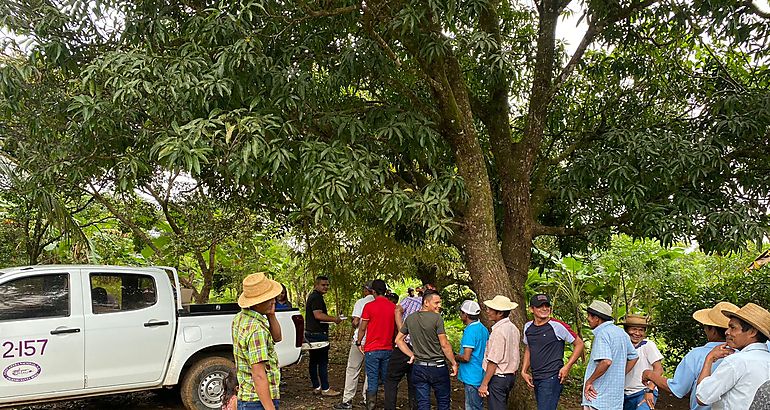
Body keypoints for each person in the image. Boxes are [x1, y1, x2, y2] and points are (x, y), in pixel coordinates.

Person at [642, 301, 739, 410]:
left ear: (713, 331)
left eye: (706, 327)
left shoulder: (697, 355)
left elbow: (678, 388)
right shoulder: (742, 355)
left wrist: (650, 375)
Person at [696, 303, 770, 410]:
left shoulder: (737, 361)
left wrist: (709, 358)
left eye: (733, 328)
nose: (727, 332)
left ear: (752, 332)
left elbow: (702, 398)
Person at [395, 290, 458, 410]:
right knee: (443, 402)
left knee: (423, 404)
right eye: (436, 303)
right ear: (426, 302)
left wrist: (411, 354)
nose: (439, 305)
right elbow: (444, 344)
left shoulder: (410, 318)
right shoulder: (437, 318)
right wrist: (453, 363)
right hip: (438, 367)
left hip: (419, 367)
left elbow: (398, 340)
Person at [521, 294, 584, 410]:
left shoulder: (557, 326)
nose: (545, 309)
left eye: (547, 306)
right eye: (540, 306)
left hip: (552, 376)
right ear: (531, 309)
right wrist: (524, 371)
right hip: (536, 376)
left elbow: (579, 344)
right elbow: (529, 348)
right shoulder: (528, 327)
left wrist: (567, 367)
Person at [231, 272, 284, 410]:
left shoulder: (240, 317)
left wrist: (271, 314)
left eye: (273, 297)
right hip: (257, 401)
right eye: (268, 299)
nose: (274, 301)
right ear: (256, 303)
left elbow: (277, 338)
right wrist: (270, 408)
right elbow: (259, 375)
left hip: (248, 397)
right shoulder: (256, 330)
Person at [384, 283, 436, 410]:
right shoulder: (434, 309)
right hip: (420, 349)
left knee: (391, 379)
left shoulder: (410, 300)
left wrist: (401, 329)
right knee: (415, 382)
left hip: (404, 346)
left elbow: (397, 310)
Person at [581, 300, 639, 410]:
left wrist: (589, 381)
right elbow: (634, 357)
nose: (587, 319)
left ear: (597, 318)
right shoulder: (621, 332)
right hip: (614, 400)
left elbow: (606, 361)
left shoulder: (602, 334)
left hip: (597, 396)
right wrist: (621, 373)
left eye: (589, 316)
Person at [357, 279, 397, 410]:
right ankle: (389, 405)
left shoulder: (369, 307)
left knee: (372, 378)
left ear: (373, 291)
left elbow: (362, 328)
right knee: (387, 379)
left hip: (372, 349)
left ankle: (371, 406)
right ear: (385, 291)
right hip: (388, 348)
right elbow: (397, 328)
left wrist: (359, 342)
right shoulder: (393, 307)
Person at [334, 282, 375, 410]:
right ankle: (367, 399)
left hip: (360, 340)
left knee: (352, 369)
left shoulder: (361, 302)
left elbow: (356, 321)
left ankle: (347, 400)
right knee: (370, 372)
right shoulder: (383, 304)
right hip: (374, 342)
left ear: (366, 290)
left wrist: (353, 323)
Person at [478, 295, 521, 410]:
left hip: (498, 377)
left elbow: (493, 361)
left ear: (500, 313)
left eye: (491, 309)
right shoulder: (513, 328)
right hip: (509, 377)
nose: (488, 311)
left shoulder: (499, 331)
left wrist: (484, 384)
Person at [305, 275, 343, 396]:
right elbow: (318, 315)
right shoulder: (316, 298)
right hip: (318, 335)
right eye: (323, 285)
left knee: (314, 361)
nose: (326, 287)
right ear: (316, 285)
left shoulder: (314, 296)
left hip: (312, 333)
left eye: (327, 285)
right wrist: (334, 319)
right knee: (322, 362)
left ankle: (317, 386)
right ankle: (325, 388)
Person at [621, 314, 663, 410]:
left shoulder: (648, 345)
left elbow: (659, 369)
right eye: (634, 329)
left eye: (641, 330)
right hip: (624, 394)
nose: (637, 333)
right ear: (626, 330)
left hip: (643, 391)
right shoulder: (622, 346)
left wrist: (650, 389)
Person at [454, 300, 489, 410]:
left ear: (466, 315)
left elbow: (466, 357)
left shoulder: (470, 331)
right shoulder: (483, 328)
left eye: (461, 313)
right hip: (480, 373)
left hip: (471, 376)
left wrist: (454, 356)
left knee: (472, 406)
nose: (460, 315)